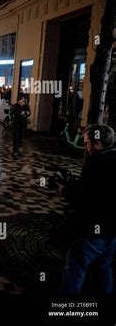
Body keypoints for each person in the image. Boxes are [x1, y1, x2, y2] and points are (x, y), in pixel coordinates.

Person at [51, 124, 116, 295]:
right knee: (104, 267)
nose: (85, 147)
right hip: (111, 230)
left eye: (87, 143)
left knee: (75, 268)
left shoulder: (97, 163)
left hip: (93, 230)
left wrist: (64, 190)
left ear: (98, 143)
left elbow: (84, 197)